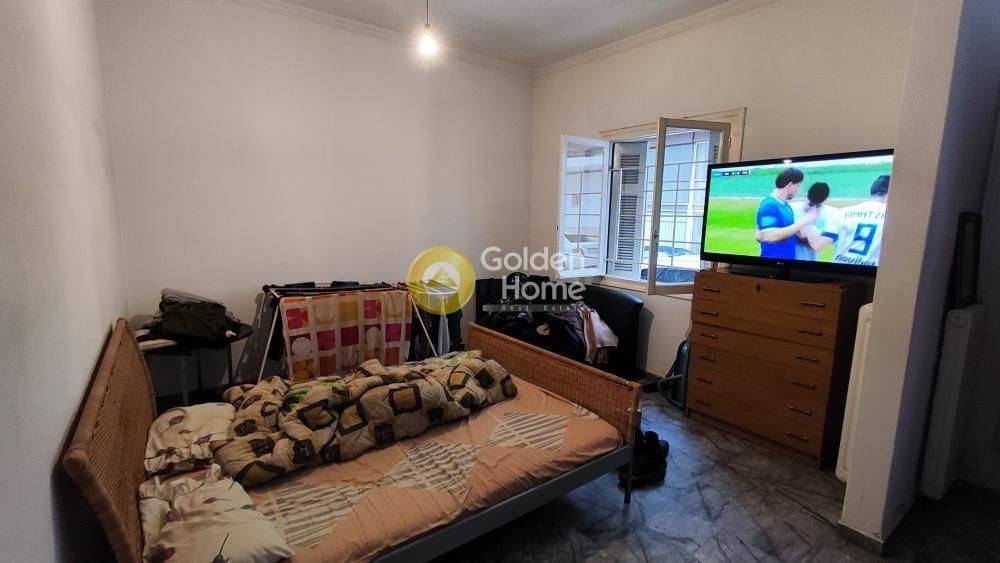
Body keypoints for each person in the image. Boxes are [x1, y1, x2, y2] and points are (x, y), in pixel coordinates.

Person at [801, 174, 889, 267]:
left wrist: (806, 220)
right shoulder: (893, 220)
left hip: (839, 272)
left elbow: (817, 245)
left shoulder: (841, 213)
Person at [755, 167, 816, 259]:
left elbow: (787, 231)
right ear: (790, 185)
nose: (798, 190)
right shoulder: (769, 205)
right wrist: (805, 221)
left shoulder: (787, 207)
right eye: (798, 186)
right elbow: (771, 236)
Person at [790, 182, 841, 261]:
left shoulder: (832, 214)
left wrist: (797, 232)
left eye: (818, 206)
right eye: (810, 204)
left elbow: (818, 245)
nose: (813, 209)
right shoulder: (791, 208)